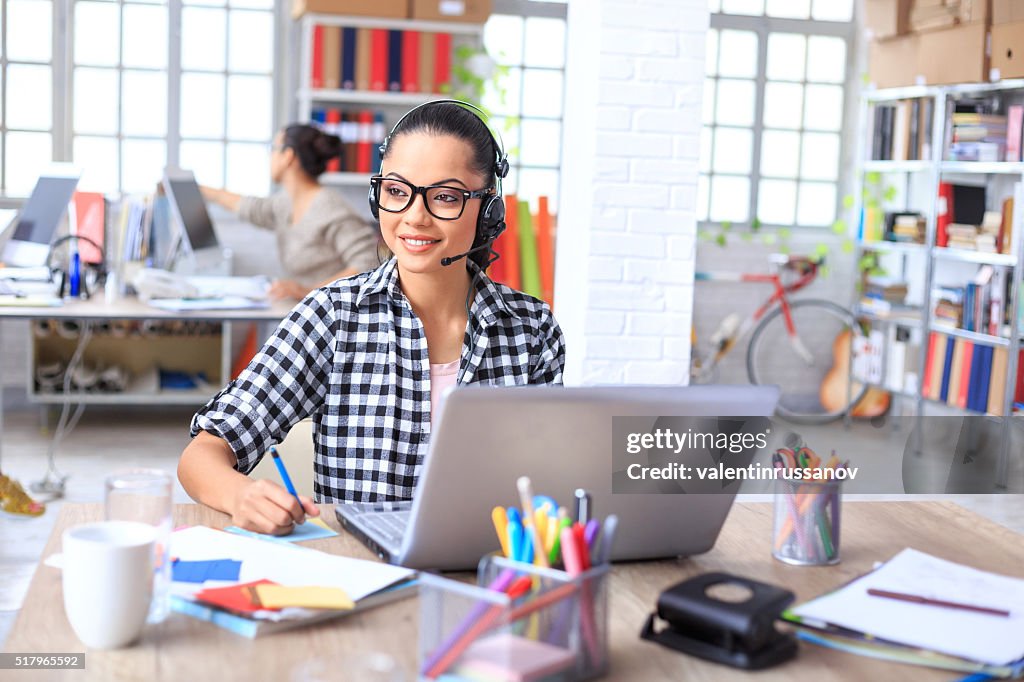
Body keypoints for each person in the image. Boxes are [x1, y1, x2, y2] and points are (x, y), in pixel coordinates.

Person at [179, 101, 566, 534]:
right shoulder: (331, 317)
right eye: (397, 192)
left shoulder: (531, 330)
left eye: (444, 197)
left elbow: (549, 482)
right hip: (361, 573)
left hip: (489, 571)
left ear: (488, 210)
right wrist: (240, 495)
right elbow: (201, 457)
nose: (414, 216)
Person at [201, 124, 380, 300]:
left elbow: (368, 265)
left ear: (288, 156)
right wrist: (200, 189)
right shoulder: (286, 203)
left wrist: (307, 291)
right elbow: (251, 207)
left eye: (273, 149)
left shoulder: (332, 210)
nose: (269, 156)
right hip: (309, 311)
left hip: (336, 318)